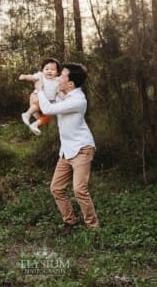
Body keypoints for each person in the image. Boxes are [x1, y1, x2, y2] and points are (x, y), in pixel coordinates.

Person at [35, 63, 99, 233]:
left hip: (82, 149)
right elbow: (49, 101)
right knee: (56, 188)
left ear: (70, 83)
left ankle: (93, 227)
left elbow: (48, 109)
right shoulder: (65, 95)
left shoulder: (78, 100)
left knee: (79, 190)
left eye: (62, 76)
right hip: (67, 150)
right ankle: (70, 221)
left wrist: (40, 89)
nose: (58, 78)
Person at [19, 58, 61, 135]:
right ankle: (27, 114)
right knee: (39, 103)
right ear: (42, 70)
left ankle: (35, 125)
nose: (49, 71)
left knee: (48, 116)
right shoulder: (41, 76)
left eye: (53, 69)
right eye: (47, 69)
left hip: (48, 103)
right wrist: (25, 76)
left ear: (57, 72)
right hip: (37, 100)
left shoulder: (58, 80)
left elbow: (59, 91)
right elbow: (32, 77)